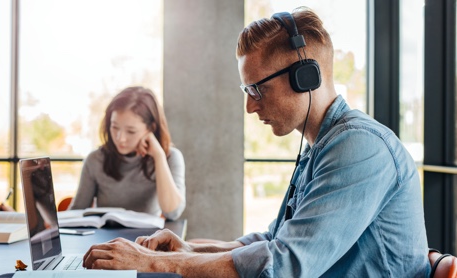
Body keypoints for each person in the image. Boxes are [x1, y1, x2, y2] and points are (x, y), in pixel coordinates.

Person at [82, 7, 431, 277]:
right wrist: (188, 250)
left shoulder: (359, 148)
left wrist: (159, 264)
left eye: (257, 89)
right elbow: (271, 240)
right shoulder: (321, 148)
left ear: (305, 77)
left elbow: (283, 266)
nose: (249, 106)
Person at [68, 86, 186, 221]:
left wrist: (159, 156)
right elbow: (77, 212)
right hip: (105, 241)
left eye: (131, 131)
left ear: (151, 128)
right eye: (114, 127)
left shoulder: (170, 157)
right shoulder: (96, 159)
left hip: (145, 241)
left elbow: (172, 213)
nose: (120, 138)